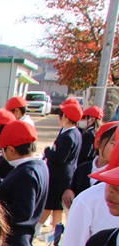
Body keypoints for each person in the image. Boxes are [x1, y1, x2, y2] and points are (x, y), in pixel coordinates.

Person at [41, 98, 83, 236]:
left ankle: (40, 226)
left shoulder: (68, 136)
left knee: (51, 202)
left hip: (59, 175)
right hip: (65, 174)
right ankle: (55, 230)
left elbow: (60, 157)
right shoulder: (73, 132)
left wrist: (48, 152)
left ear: (66, 117)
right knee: (57, 205)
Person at [64, 120, 119, 207]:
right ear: (98, 143)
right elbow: (72, 186)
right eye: (114, 143)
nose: (117, 149)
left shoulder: (115, 176)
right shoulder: (82, 168)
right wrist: (68, 190)